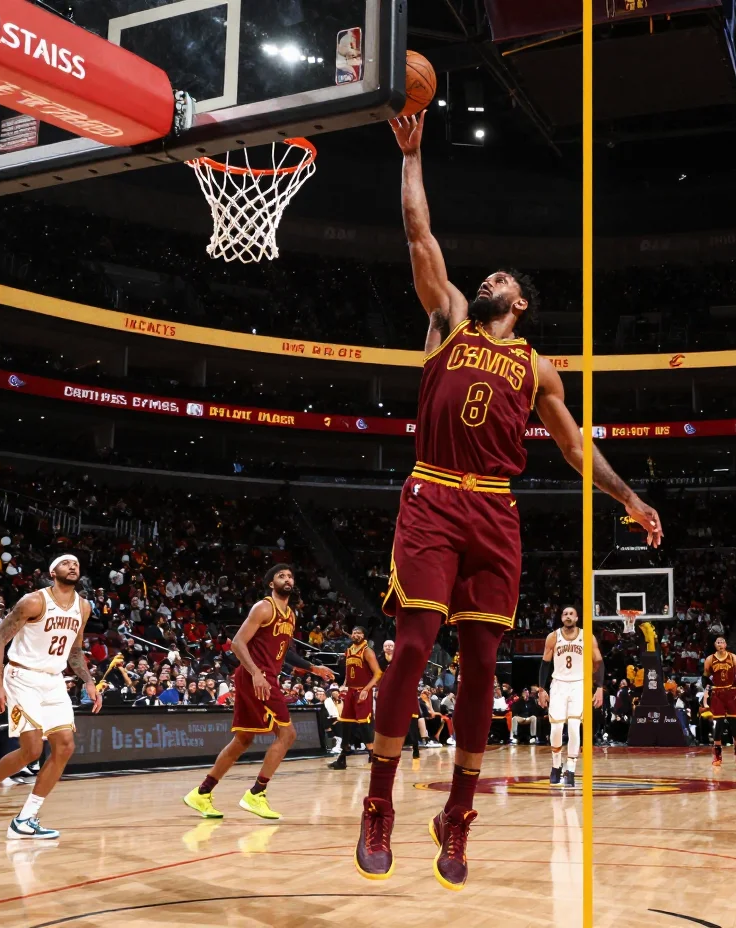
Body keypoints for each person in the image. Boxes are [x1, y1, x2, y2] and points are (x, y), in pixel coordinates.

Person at [356, 112, 664, 892]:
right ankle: (379, 800)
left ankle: (458, 815)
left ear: (521, 302)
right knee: (414, 645)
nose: (490, 278)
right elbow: (419, 232)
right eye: (488, 276)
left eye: (503, 279)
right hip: (433, 493)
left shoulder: (539, 370)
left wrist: (630, 498)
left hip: (495, 511)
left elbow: (574, 449)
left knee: (483, 666)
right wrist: (412, 154)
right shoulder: (449, 321)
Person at [0, 554, 102, 839]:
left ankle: (25, 818)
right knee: (32, 749)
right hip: (23, 676)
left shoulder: (83, 607)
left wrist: (88, 681)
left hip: (54, 680)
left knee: (65, 747)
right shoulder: (34, 601)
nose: (73, 566)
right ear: (52, 572)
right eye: (65, 563)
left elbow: (74, 650)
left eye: (76, 563)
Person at [185, 565, 334, 820]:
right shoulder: (264, 607)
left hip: (262, 676)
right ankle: (256, 793)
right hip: (257, 676)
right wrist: (255, 673)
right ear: (271, 584)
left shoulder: (290, 615)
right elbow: (237, 643)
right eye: (281, 576)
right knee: (287, 734)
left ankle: (202, 792)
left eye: (290, 576)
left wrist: (313, 668)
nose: (287, 579)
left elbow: (285, 652)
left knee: (243, 739)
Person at [541, 605, 602, 787]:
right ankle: (556, 765)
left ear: (576, 618)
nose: (568, 616)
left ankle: (571, 769)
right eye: (565, 614)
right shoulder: (553, 637)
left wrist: (599, 687)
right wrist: (542, 689)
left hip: (579, 684)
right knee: (556, 728)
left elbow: (598, 661)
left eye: (571, 614)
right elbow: (545, 664)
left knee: (575, 727)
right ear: (561, 618)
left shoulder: (587, 637)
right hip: (558, 684)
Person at [328, 627, 380, 770]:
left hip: (363, 691)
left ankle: (373, 755)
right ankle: (342, 758)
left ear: (364, 635)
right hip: (351, 691)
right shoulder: (349, 650)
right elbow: (348, 672)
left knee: (363, 724)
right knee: (346, 724)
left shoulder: (367, 651)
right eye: (354, 632)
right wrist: (344, 685)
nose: (356, 635)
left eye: (359, 633)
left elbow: (378, 674)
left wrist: (366, 689)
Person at [701, 636, 736, 766]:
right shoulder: (710, 659)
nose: (720, 644)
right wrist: (707, 690)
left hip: (731, 692)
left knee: (735, 725)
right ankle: (717, 755)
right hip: (717, 693)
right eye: (718, 642)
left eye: (722, 642)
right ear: (715, 645)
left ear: (726, 644)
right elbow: (705, 677)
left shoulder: (733, 657)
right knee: (718, 725)